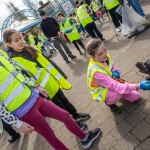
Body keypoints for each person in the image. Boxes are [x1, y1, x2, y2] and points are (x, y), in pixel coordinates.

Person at [0, 51, 101, 149]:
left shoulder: (2, 54)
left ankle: (85, 138)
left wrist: (37, 87)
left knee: (65, 115)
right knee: (49, 135)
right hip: (23, 111)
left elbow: (18, 74)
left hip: (34, 97)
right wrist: (18, 124)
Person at [4, 29, 90, 129]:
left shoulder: (29, 48)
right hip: (43, 90)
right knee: (60, 107)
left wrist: (60, 74)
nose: (20, 41)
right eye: (16, 40)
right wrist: (37, 91)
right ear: (9, 44)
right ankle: (74, 123)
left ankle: (76, 115)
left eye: (20, 38)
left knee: (65, 100)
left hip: (52, 81)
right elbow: (23, 78)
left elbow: (47, 62)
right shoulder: (14, 61)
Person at [86, 39, 150, 113]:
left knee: (136, 97)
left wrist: (115, 71)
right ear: (93, 56)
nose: (104, 54)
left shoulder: (105, 57)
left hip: (111, 81)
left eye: (105, 50)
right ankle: (110, 103)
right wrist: (140, 85)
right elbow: (116, 86)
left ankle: (122, 92)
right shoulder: (96, 72)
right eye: (100, 53)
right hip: (101, 89)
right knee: (117, 94)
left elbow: (111, 66)